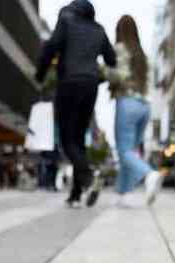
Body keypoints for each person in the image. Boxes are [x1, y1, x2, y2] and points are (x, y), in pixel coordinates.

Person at [35, 0, 116, 208]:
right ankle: (76, 194)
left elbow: (51, 46)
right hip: (90, 86)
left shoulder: (66, 21)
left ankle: (88, 178)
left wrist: (40, 74)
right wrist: (97, 72)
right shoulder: (99, 30)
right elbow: (111, 59)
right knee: (78, 139)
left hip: (69, 83)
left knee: (67, 139)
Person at [104, 16, 164, 208]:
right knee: (130, 152)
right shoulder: (144, 55)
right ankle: (123, 193)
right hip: (144, 106)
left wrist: (102, 70)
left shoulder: (120, 49)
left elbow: (118, 75)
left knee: (124, 151)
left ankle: (149, 174)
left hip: (127, 102)